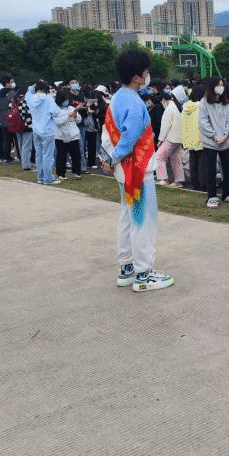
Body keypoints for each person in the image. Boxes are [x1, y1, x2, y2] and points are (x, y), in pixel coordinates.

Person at [101, 49, 174, 293]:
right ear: (136, 77)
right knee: (143, 221)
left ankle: (127, 268)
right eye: (146, 72)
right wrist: (114, 157)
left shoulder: (117, 98)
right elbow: (130, 138)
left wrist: (109, 159)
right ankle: (145, 273)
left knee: (127, 217)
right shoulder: (133, 102)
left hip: (123, 169)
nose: (148, 76)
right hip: (137, 170)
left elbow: (108, 133)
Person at [199, 76, 229, 207]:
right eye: (218, 85)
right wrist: (215, 136)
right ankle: (212, 196)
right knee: (211, 170)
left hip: (225, 141)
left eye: (222, 85)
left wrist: (225, 135)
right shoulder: (204, 103)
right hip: (210, 142)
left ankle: (227, 193)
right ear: (212, 87)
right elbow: (203, 123)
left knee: (227, 169)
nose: (221, 88)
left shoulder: (226, 102)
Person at [26, 81, 60, 185]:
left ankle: (40, 177)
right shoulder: (48, 98)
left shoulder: (31, 98)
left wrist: (34, 85)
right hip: (47, 130)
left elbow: (28, 92)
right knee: (48, 156)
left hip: (36, 129)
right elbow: (56, 112)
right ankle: (48, 178)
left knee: (39, 155)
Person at [155, 86, 186, 187]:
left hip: (171, 138)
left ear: (164, 100)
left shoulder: (170, 108)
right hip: (178, 139)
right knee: (176, 159)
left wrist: (160, 140)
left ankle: (163, 178)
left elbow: (165, 126)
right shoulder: (178, 107)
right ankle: (179, 180)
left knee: (158, 157)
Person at [54, 87, 83, 180]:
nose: (66, 101)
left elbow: (79, 120)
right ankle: (61, 174)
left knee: (76, 155)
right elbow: (58, 122)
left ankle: (77, 172)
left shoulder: (71, 107)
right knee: (61, 156)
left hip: (73, 135)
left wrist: (75, 115)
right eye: (64, 99)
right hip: (60, 136)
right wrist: (68, 115)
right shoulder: (56, 109)